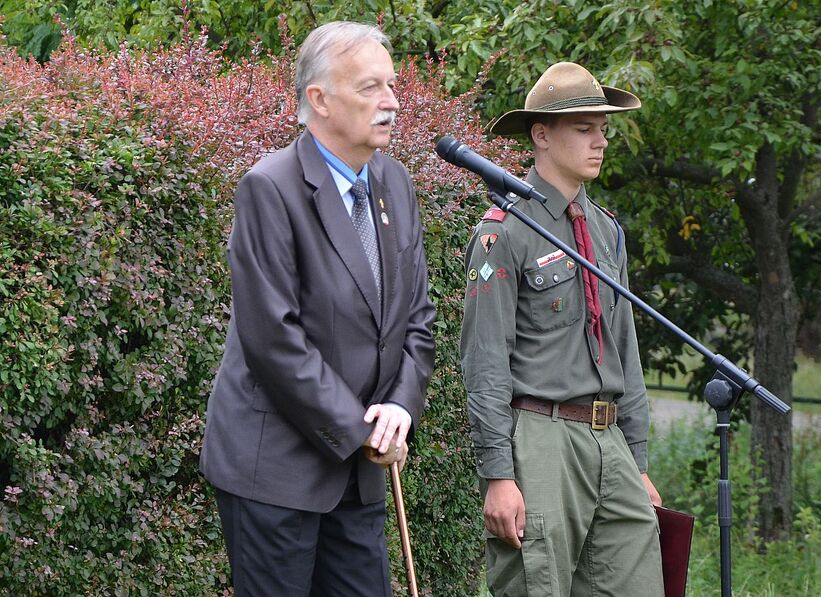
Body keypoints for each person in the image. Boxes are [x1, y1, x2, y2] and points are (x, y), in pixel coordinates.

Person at [200, 21, 436, 596]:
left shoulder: (395, 182)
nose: (391, 102)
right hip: (274, 471)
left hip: (361, 473)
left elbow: (417, 316)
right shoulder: (270, 187)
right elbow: (273, 340)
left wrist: (400, 408)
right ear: (319, 99)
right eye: (370, 88)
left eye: (392, 85)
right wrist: (359, 429)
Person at [460, 61, 664, 596]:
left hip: (609, 438)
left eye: (602, 127)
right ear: (541, 135)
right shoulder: (503, 232)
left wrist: (636, 462)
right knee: (537, 585)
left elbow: (626, 351)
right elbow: (485, 361)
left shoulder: (606, 231)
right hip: (541, 439)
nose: (600, 141)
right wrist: (498, 476)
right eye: (584, 128)